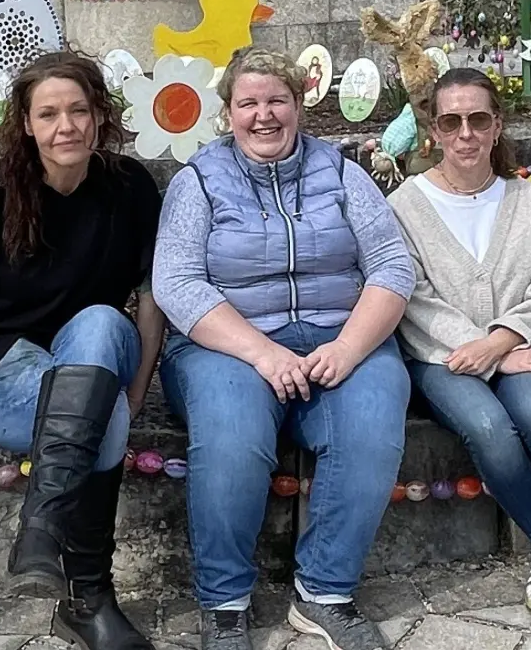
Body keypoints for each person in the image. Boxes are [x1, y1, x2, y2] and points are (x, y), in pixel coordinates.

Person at [154, 48, 415, 650]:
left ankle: (324, 593)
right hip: (224, 344)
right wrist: (262, 354)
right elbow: (177, 283)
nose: (263, 116)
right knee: (231, 430)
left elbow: (392, 266)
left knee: (374, 417)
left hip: (337, 336)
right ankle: (225, 603)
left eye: (277, 101)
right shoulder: (197, 180)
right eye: (248, 103)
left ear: (299, 105)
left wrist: (349, 350)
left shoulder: (343, 172)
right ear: (228, 113)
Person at [0, 52, 163, 650]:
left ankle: (42, 529)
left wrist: (134, 389)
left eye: (79, 110)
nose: (65, 126)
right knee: (97, 423)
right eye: (48, 114)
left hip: (92, 352)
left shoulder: (129, 189)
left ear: (100, 114)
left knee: (102, 320)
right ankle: (90, 600)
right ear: (25, 123)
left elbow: (151, 299)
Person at [389, 68, 531, 618]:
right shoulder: (405, 206)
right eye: (452, 121)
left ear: (497, 126)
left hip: (518, 346)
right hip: (439, 356)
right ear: (434, 130)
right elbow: (414, 297)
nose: (465, 133)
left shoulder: (529, 201)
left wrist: (503, 342)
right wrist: (483, 345)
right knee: (489, 426)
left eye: (478, 119)